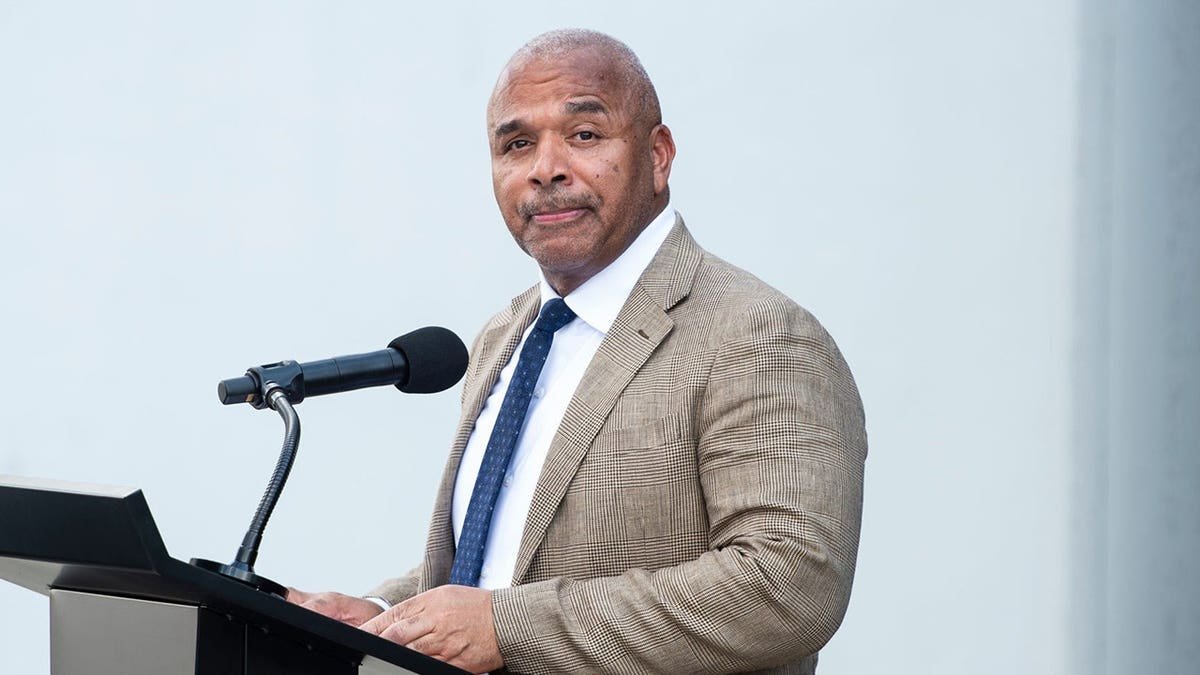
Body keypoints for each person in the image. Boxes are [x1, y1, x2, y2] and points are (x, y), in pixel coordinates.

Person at [288, 29, 867, 675]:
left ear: (658, 156)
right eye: (516, 144)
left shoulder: (757, 334)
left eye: (584, 135)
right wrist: (383, 611)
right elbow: (510, 557)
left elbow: (788, 586)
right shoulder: (503, 335)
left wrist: (506, 626)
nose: (546, 168)